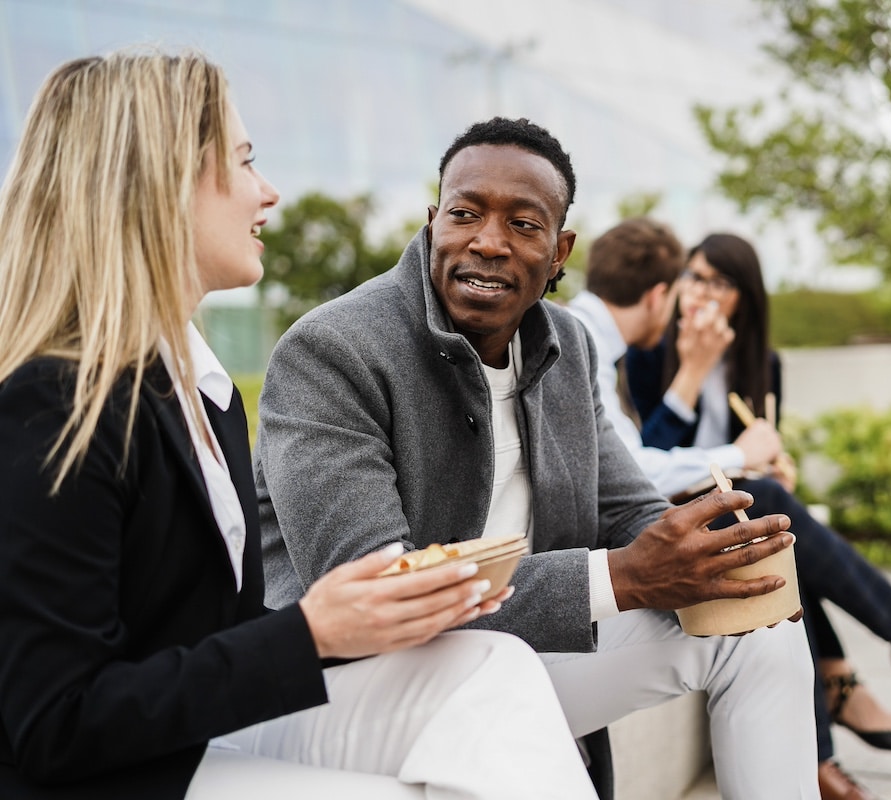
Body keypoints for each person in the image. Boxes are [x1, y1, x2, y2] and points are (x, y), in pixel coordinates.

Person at [0, 51, 598, 800]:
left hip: (207, 727)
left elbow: (202, 636)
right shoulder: (54, 404)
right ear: (160, 184)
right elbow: (54, 724)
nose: (268, 192)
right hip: (115, 775)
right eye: (245, 162)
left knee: (493, 666)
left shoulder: (206, 391)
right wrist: (311, 632)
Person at [255, 117, 821, 799]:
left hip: (509, 654)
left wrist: (712, 558)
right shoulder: (334, 351)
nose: (487, 242)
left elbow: (626, 507)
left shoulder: (568, 348)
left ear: (559, 251)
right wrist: (620, 579)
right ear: (434, 221)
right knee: (499, 683)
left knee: (757, 629)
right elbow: (377, 589)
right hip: (349, 684)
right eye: (464, 214)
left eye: (524, 224)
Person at [570, 219, 891, 800]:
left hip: (727, 504)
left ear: (745, 296)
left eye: (718, 282)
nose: (703, 293)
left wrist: (766, 463)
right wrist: (691, 372)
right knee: (772, 515)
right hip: (658, 516)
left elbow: (743, 454)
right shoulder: (647, 353)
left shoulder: (763, 363)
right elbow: (637, 467)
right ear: (668, 291)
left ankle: (833, 728)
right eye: (694, 278)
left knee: (776, 523)